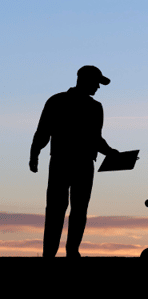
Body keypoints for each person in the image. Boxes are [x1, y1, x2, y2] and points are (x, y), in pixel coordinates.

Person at [30, 65, 120, 258]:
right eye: (96, 83)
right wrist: (34, 154)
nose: (98, 87)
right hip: (64, 162)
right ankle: (51, 253)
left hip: (80, 163)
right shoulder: (58, 101)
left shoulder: (93, 106)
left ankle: (70, 251)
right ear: (84, 80)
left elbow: (95, 138)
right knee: (57, 208)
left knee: (77, 209)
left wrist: (110, 152)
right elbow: (43, 131)